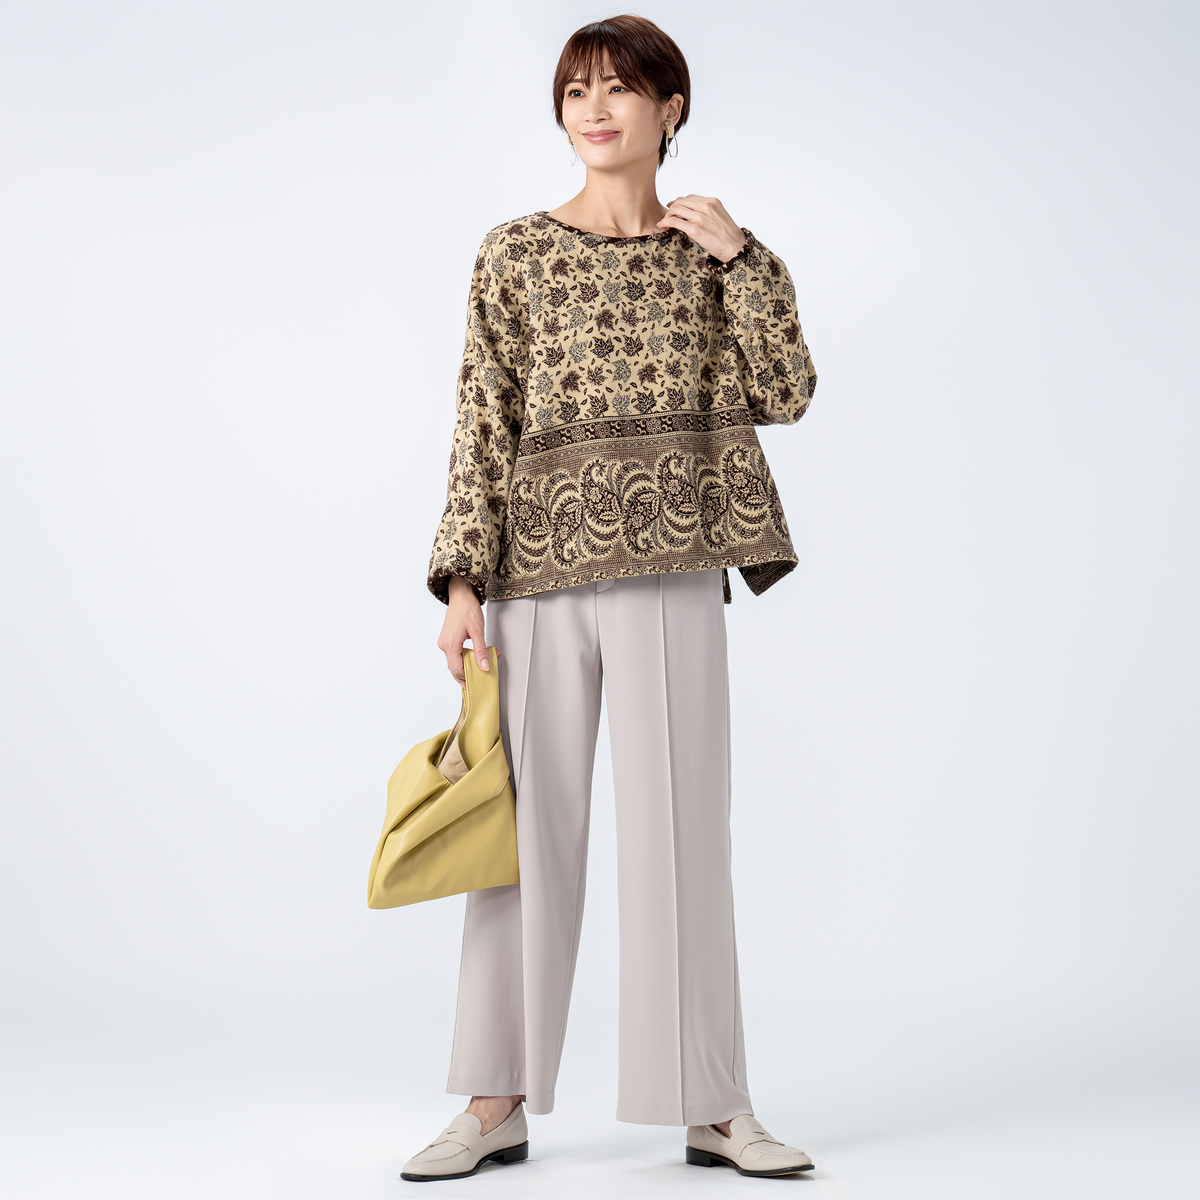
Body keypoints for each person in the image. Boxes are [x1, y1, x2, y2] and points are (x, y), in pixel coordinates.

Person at [404, 14, 819, 1183]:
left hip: (674, 567)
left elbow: (788, 390)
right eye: (576, 89)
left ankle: (713, 1104)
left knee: (684, 841)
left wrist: (743, 256)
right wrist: (461, 583)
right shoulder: (514, 253)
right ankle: (493, 1101)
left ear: (669, 110)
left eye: (619, 89)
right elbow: (482, 419)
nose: (594, 109)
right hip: (535, 578)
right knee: (521, 846)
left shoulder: (712, 255)